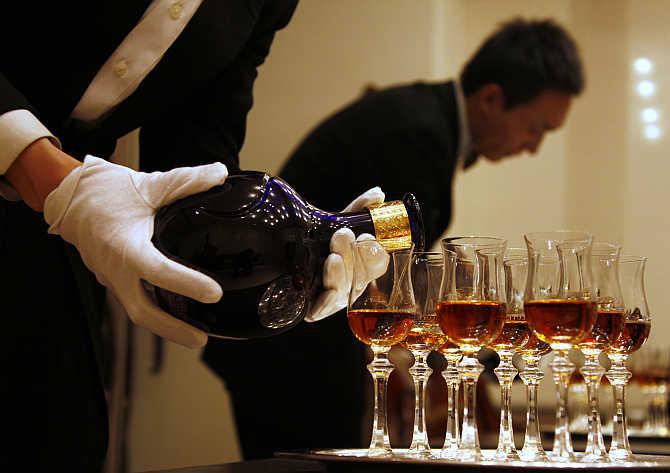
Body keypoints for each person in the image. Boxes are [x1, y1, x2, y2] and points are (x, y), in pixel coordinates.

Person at [1, 2, 390, 471]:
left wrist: (301, 262)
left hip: (55, 226)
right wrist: (47, 172)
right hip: (63, 192)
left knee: (60, 432)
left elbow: (197, 157)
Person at [202, 17, 585, 457]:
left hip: (299, 346)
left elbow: (397, 257)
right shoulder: (415, 138)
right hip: (291, 355)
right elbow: (399, 271)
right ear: (492, 98)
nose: (533, 147)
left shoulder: (423, 121)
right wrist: (475, 355)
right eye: (536, 128)